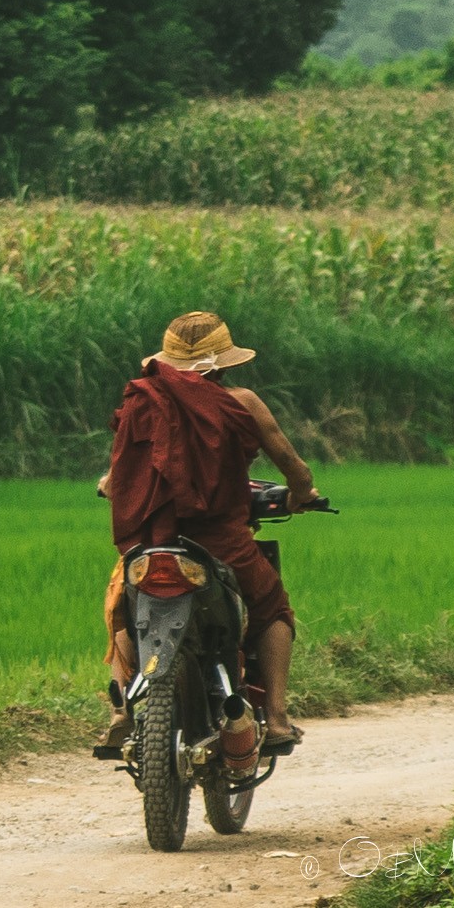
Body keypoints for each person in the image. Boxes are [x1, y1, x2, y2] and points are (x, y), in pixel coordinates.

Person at [99, 311, 318, 753]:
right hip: (220, 541)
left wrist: (109, 484)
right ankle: (275, 720)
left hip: (151, 540)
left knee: (124, 605)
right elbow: (293, 466)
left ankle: (120, 711)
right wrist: (301, 493)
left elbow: (121, 470)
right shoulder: (242, 402)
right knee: (272, 607)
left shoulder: (143, 400)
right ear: (222, 363)